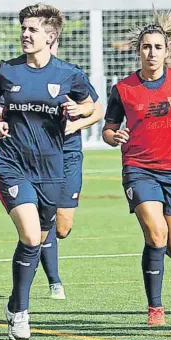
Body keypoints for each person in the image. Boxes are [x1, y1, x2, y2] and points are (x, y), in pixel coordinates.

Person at [0, 3, 95, 340]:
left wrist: (80, 111)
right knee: (31, 236)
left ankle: (15, 303)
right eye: (24, 28)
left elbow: (93, 105)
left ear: (51, 37)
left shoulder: (68, 74)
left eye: (32, 30)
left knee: (43, 236)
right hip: (12, 164)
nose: (25, 34)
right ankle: (23, 312)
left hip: (51, 168)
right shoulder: (7, 70)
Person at [102, 23, 171, 326]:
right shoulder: (123, 89)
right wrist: (113, 137)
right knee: (156, 234)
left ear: (166, 52)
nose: (151, 53)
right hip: (139, 169)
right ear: (138, 50)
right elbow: (108, 128)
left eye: (157, 47)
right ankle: (155, 308)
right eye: (146, 47)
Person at [37, 36, 102, 301]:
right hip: (39, 158)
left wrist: (77, 122)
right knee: (45, 216)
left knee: (62, 227)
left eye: (51, 44)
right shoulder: (22, 74)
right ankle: (55, 281)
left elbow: (96, 111)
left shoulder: (71, 74)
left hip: (70, 154)